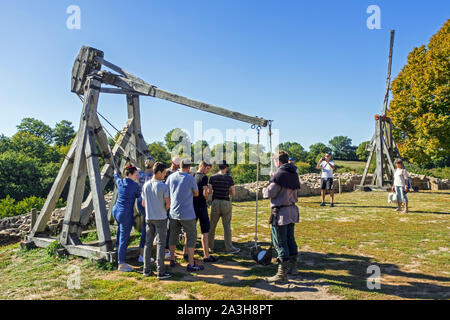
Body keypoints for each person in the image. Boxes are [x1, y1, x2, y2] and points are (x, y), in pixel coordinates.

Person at [263, 151, 301, 284]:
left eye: (274, 160)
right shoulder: (293, 172)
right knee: (290, 239)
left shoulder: (280, 174)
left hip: (281, 213)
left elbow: (270, 193)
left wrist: (269, 182)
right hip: (291, 210)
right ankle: (293, 267)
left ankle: (281, 274)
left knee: (280, 242)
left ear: (278, 161)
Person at [166, 158, 204, 272]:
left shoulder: (171, 177)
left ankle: (172, 259)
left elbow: (166, 190)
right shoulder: (190, 178)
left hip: (173, 212)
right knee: (191, 236)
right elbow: (196, 193)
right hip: (187, 213)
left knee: (173, 235)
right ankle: (191, 263)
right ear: (188, 167)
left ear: (179, 166)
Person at [141, 162, 173, 279]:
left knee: (147, 243)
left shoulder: (145, 185)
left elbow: (143, 204)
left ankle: (146, 269)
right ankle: (161, 271)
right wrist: (162, 208)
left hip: (149, 217)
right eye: (164, 172)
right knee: (161, 244)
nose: (165, 175)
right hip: (161, 217)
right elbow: (168, 204)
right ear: (159, 172)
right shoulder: (164, 186)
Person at [112, 165, 141, 272]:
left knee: (120, 233)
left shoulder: (121, 181)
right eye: (136, 175)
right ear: (130, 174)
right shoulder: (134, 186)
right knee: (124, 239)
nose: (137, 176)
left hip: (116, 211)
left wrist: (115, 172)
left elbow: (115, 177)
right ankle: (121, 263)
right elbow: (140, 196)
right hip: (125, 213)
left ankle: (117, 250)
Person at [208, 160, 240, 254]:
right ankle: (229, 247)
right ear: (226, 167)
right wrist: (227, 191)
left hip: (215, 202)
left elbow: (209, 191)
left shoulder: (212, 177)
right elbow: (233, 193)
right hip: (226, 202)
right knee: (227, 226)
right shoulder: (229, 178)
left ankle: (210, 247)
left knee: (212, 225)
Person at [193, 161, 218, 262]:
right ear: (202, 166)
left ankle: (186, 252)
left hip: (193, 205)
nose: (208, 171)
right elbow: (205, 193)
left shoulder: (193, 175)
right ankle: (206, 255)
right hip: (201, 206)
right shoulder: (204, 177)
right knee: (205, 231)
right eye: (207, 168)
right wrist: (207, 195)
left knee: (190, 230)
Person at [137, 157, 155, 263]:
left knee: (146, 227)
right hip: (148, 202)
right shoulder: (153, 176)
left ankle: (143, 254)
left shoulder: (140, 174)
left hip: (140, 201)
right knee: (147, 229)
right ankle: (143, 255)